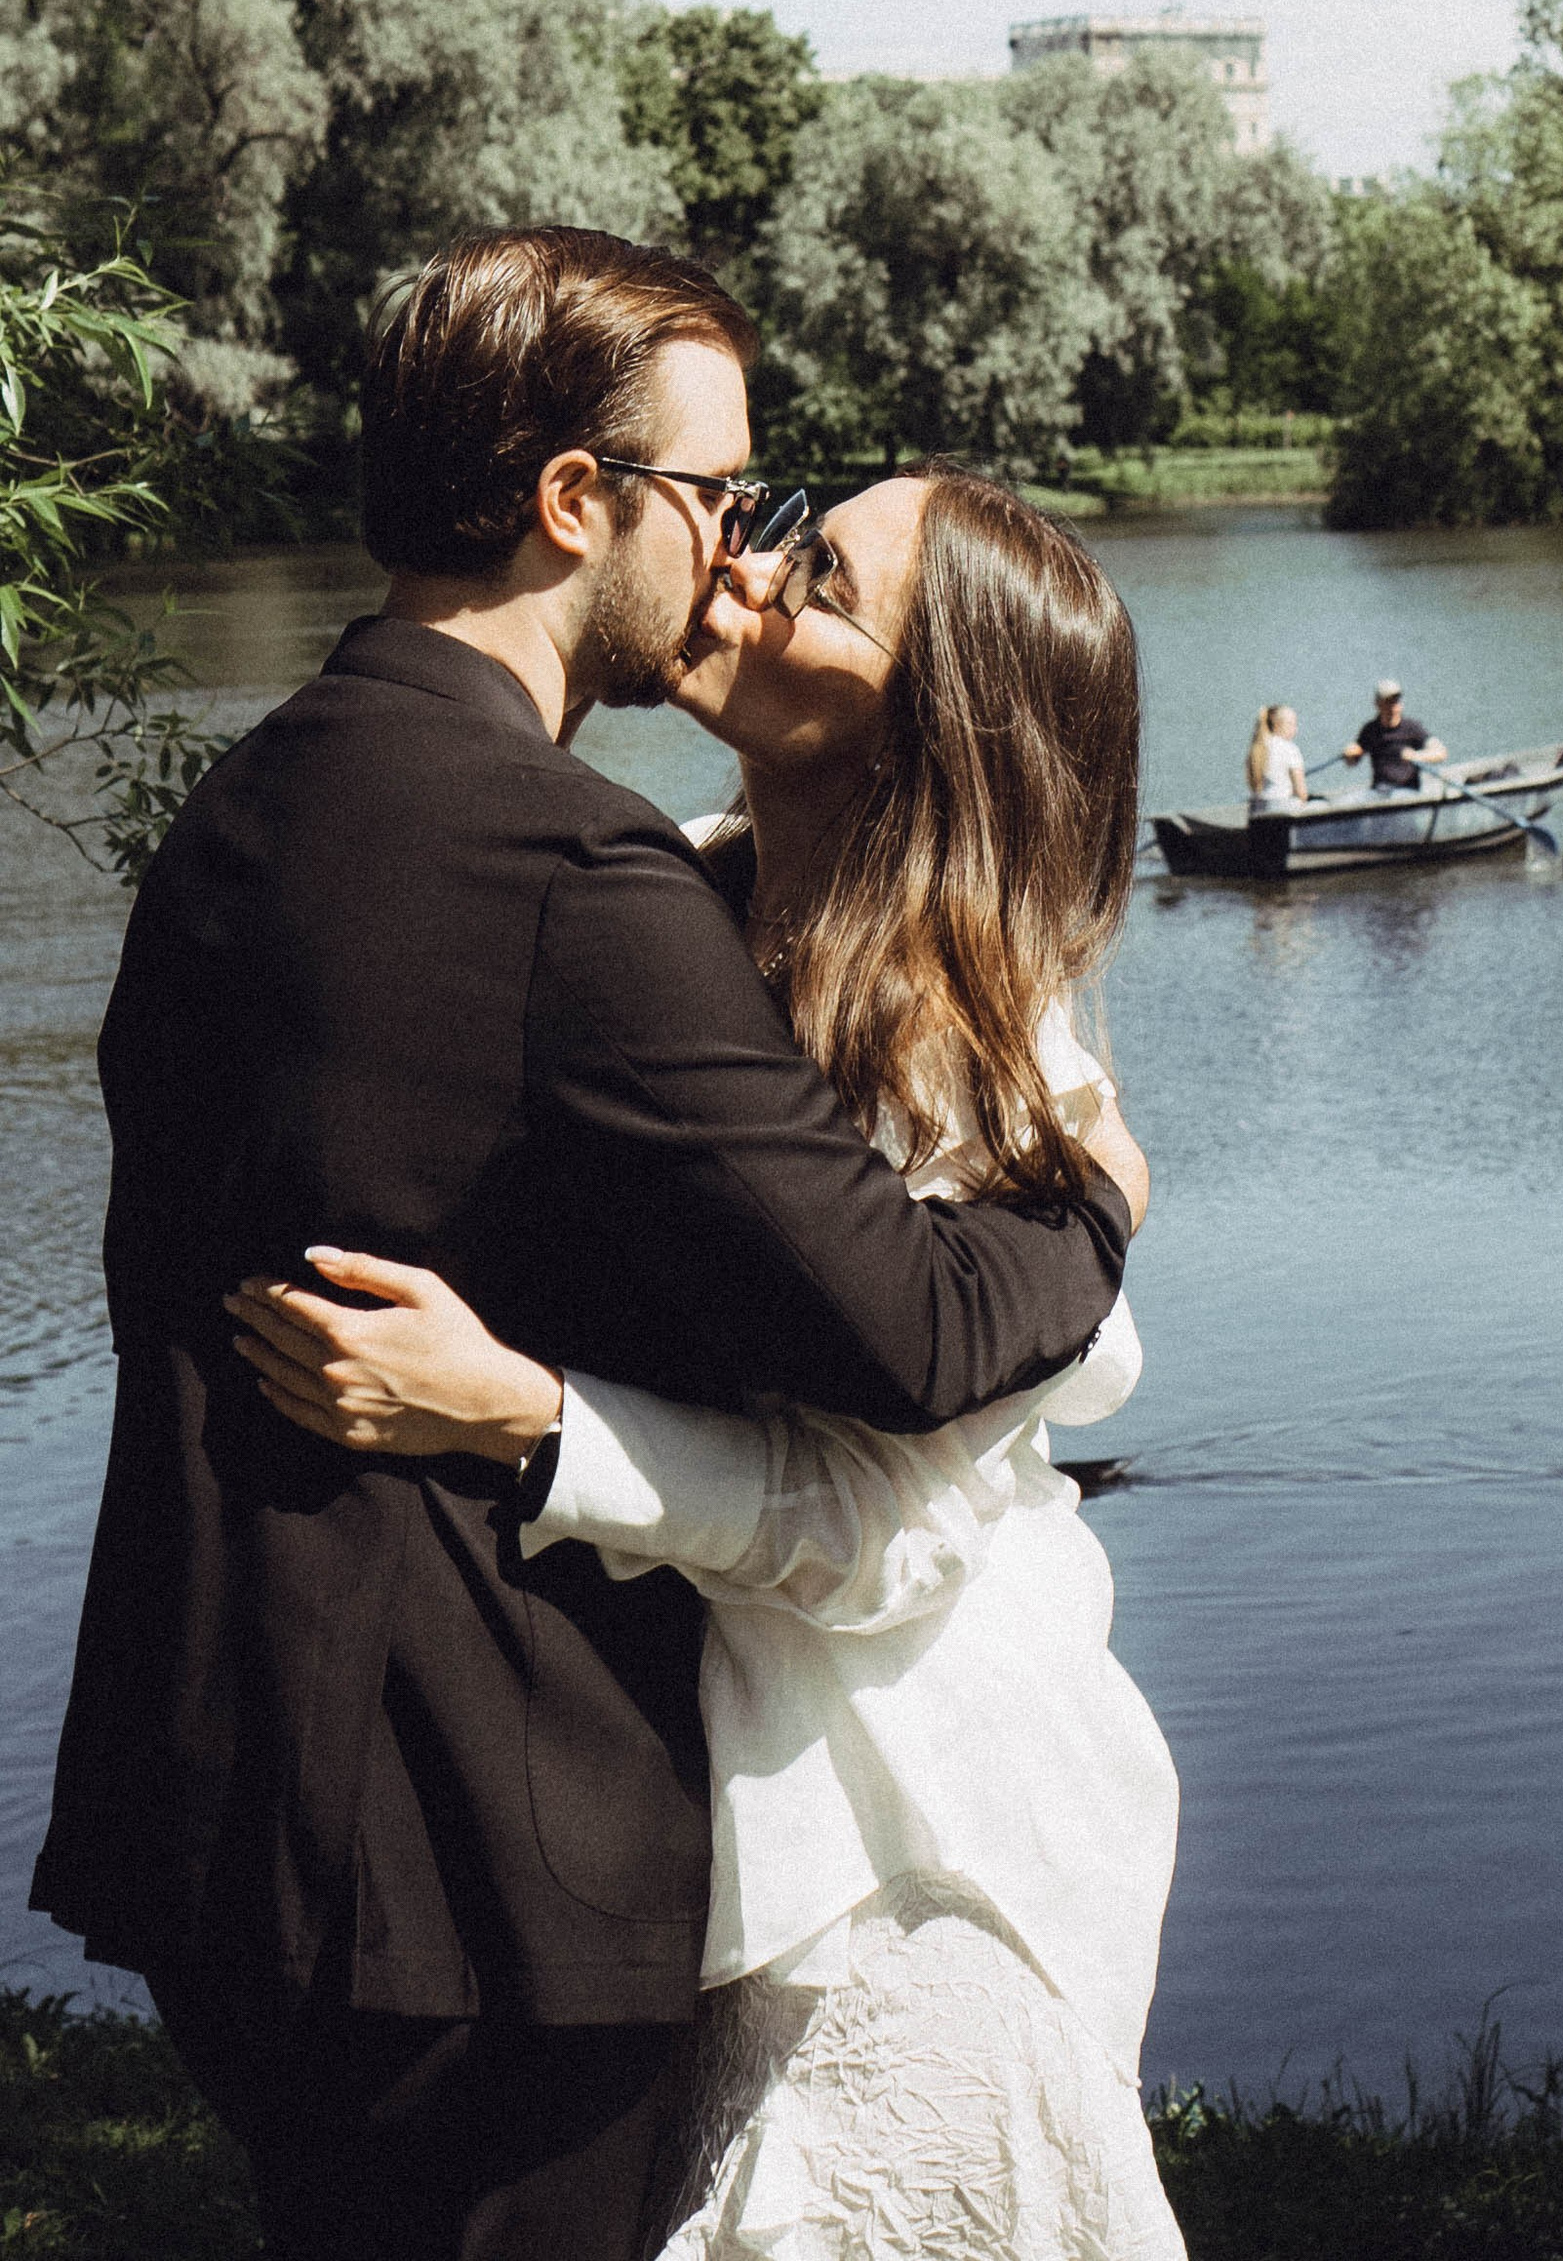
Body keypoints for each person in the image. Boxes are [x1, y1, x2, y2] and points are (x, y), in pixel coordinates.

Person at [32, 229, 1137, 2261]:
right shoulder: (576, 871)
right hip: (468, 1860)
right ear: (574, 500)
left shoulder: (249, 807)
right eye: (720, 496)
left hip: (224, 1805)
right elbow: (908, 1330)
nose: (735, 552)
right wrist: (1093, 1208)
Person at [1341, 677, 1444, 792]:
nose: (1393, 706)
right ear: (1378, 704)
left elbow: (1440, 753)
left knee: (1399, 796)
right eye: (1388, 702)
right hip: (1379, 790)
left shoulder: (1412, 728)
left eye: (1396, 701)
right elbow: (1352, 762)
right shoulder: (1370, 729)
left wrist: (1416, 756)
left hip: (1406, 790)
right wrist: (1350, 754)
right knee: (1347, 800)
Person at [1244, 703, 1306, 810]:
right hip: (1283, 810)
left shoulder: (1256, 749)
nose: (1296, 729)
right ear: (1277, 725)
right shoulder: (1290, 749)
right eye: (1292, 724)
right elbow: (1301, 792)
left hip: (1258, 810)